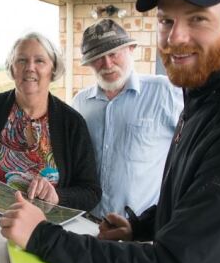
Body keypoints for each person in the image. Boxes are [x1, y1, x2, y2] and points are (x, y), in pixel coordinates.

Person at [0, 0, 220, 263]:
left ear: (131, 52)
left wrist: (43, 237)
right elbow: (191, 194)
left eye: (198, 18)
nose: (176, 36)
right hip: (119, 253)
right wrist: (140, 226)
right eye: (166, 20)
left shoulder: (174, 97)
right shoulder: (196, 99)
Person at [0, 31, 101, 210]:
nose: (30, 67)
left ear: (53, 68)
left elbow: (91, 192)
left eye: (39, 60)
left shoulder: (72, 122)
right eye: (22, 60)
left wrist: (58, 196)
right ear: (12, 68)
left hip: (45, 231)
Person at [72, 19, 182, 218]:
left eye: (113, 53)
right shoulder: (80, 103)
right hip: (87, 224)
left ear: (131, 49)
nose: (107, 64)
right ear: (89, 63)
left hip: (141, 231)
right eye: (97, 57)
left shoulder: (166, 93)